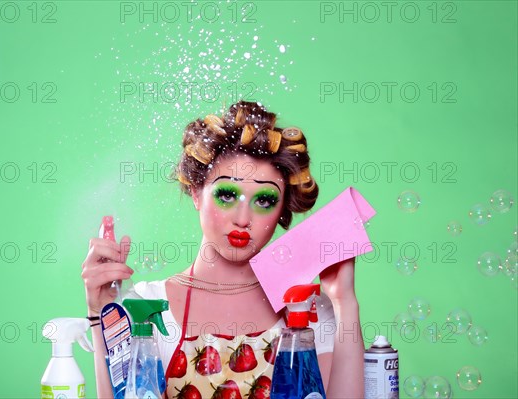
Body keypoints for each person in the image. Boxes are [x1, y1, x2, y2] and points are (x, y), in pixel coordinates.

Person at [81, 101, 365, 398]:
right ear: (195, 193)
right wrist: (99, 313)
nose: (243, 219)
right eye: (227, 195)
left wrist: (346, 303)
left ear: (281, 210)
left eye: (264, 200)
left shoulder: (307, 310)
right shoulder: (146, 307)